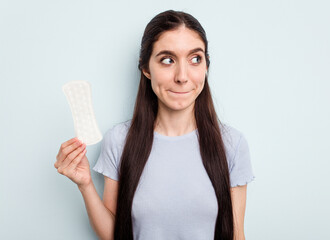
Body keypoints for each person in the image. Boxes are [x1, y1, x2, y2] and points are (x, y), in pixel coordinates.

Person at [54, 9, 255, 240]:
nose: (182, 76)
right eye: (168, 60)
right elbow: (115, 234)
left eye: (195, 59)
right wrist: (85, 185)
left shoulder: (232, 144)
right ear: (146, 69)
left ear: (206, 66)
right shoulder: (120, 141)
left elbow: (236, 235)